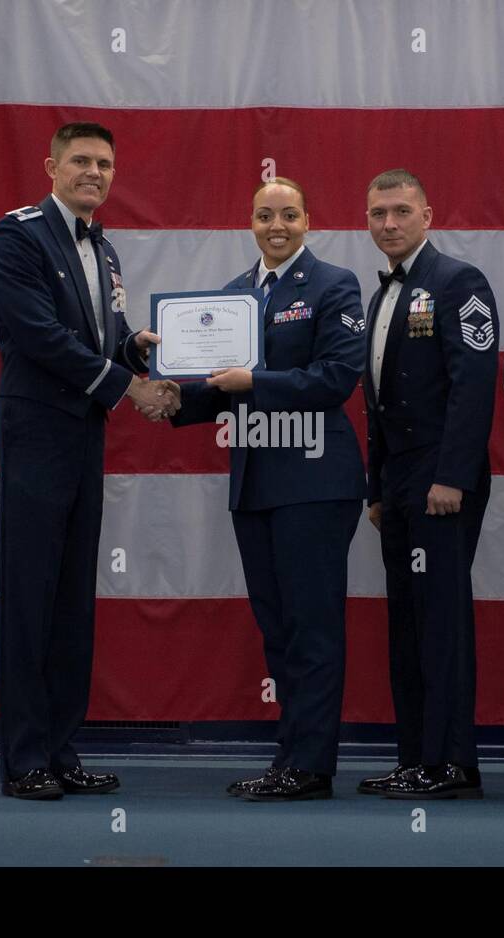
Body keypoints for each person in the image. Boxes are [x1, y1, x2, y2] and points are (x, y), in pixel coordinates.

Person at [0, 121, 178, 800]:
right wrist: (129, 387)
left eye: (104, 164)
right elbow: (38, 335)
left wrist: (141, 349)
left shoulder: (107, 248)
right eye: (82, 161)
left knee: (71, 604)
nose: (94, 173)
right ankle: (24, 760)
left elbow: (101, 337)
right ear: (52, 165)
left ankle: (61, 751)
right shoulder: (17, 235)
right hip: (38, 432)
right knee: (31, 599)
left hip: (86, 433)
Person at [163, 178, 366, 801]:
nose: (276, 225)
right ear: (249, 221)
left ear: (308, 220)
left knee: (312, 628)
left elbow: (335, 378)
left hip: (314, 480)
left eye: (288, 214)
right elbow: (212, 386)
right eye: (264, 215)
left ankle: (309, 767)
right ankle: (291, 758)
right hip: (254, 483)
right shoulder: (234, 295)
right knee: (278, 630)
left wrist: (255, 380)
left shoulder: (335, 286)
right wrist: (167, 394)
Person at [358, 170, 498, 799]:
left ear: (427, 215)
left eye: (400, 212)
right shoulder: (379, 294)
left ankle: (454, 763)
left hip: (441, 476)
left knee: (440, 620)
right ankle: (415, 756)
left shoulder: (459, 281)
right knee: (407, 622)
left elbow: (473, 387)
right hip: (399, 480)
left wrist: (452, 477)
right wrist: (376, 490)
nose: (388, 223)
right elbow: (377, 401)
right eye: (377, 213)